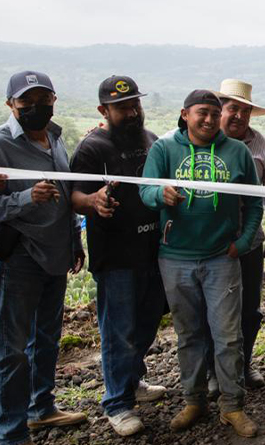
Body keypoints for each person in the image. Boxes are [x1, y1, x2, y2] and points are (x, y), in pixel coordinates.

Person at [138, 90, 262, 438]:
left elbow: (254, 204)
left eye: (213, 114)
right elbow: (144, 191)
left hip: (222, 258)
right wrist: (158, 194)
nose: (208, 120)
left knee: (228, 337)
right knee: (188, 334)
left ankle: (232, 406)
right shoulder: (164, 149)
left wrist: (242, 242)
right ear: (185, 114)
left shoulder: (237, 152)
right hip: (175, 257)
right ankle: (194, 401)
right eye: (201, 114)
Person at [68, 75, 166, 436]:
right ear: (103, 110)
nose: (131, 112)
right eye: (122, 107)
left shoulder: (152, 140)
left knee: (148, 322)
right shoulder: (92, 148)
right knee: (119, 331)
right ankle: (117, 404)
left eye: (134, 104)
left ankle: (133, 380)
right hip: (117, 255)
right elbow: (73, 196)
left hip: (154, 250)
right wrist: (92, 201)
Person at [0, 71, 88, 445]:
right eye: (26, 102)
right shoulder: (2, 144)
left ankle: (42, 408)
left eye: (43, 99)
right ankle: (11, 433)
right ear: (11, 105)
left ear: (54, 100)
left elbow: (65, 196)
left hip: (56, 256)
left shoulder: (56, 139)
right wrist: (25, 197)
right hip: (18, 258)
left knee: (48, 339)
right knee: (12, 351)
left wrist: (74, 240)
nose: (36, 107)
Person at [202, 79, 265, 395]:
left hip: (249, 242)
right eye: (232, 108)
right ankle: (213, 372)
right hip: (209, 245)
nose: (237, 115)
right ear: (220, 110)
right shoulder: (202, 141)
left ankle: (244, 363)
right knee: (211, 310)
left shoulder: (262, 146)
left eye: (244, 110)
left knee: (250, 310)